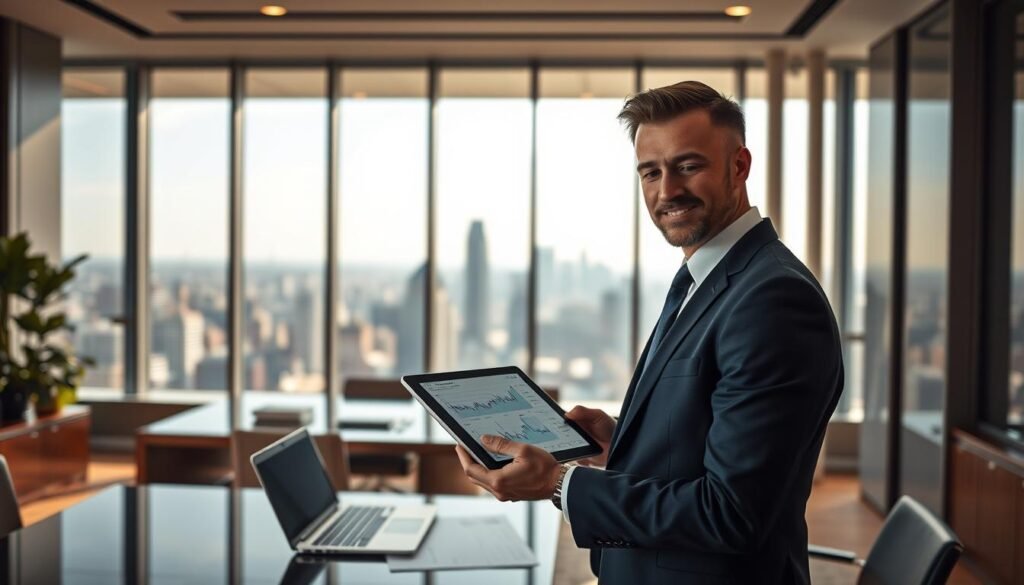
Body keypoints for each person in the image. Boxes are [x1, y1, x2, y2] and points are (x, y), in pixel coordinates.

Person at [454, 81, 843, 584]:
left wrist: (559, 483)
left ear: (739, 167)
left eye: (688, 166)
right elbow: (708, 444)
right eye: (650, 172)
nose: (667, 192)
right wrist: (621, 443)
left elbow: (731, 512)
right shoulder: (706, 280)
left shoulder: (772, 301)